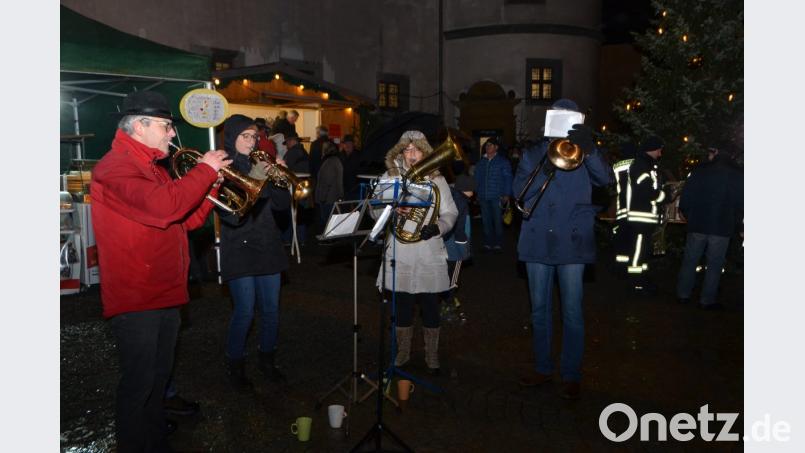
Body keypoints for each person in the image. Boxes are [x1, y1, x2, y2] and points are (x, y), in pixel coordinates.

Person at [91, 90, 231, 452]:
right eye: (167, 126)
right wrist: (204, 171)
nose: (172, 134)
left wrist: (209, 187)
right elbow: (163, 208)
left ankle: (153, 442)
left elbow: (182, 220)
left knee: (157, 380)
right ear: (140, 126)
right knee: (139, 385)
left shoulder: (152, 167)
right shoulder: (115, 167)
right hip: (137, 295)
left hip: (165, 290)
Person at [514, 98, 613, 400]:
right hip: (538, 238)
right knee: (540, 310)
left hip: (572, 240)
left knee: (572, 312)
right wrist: (545, 165)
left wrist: (591, 149)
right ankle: (543, 367)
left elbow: (606, 179)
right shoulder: (534, 153)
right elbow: (518, 191)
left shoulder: (585, 154)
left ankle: (572, 374)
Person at [374, 131, 458, 375]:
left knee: (430, 306)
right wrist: (389, 210)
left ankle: (431, 353)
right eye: (406, 150)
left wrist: (438, 227)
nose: (411, 155)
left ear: (424, 152)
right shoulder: (390, 177)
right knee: (402, 306)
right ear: (399, 153)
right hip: (399, 251)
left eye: (416, 150)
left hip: (428, 251)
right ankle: (403, 351)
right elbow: (373, 211)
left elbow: (450, 213)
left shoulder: (437, 180)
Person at [217, 114, 291, 390]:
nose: (250, 141)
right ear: (232, 138)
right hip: (239, 247)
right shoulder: (222, 168)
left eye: (253, 136)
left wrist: (279, 177)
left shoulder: (262, 163)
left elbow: (282, 206)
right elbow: (234, 216)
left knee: (271, 311)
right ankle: (235, 363)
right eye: (244, 136)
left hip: (268, 244)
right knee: (245, 311)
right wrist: (259, 178)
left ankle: (267, 360)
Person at [676, 144, 743, 309]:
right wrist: (738, 222)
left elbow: (687, 194)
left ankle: (683, 294)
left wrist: (687, 214)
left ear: (717, 152)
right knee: (714, 264)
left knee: (690, 260)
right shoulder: (738, 174)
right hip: (722, 226)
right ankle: (707, 299)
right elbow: (742, 202)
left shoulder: (700, 170)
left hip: (698, 223)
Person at [612, 136, 668, 295]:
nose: (661, 153)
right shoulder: (640, 165)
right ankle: (636, 284)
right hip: (639, 215)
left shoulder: (622, 165)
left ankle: (633, 277)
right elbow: (645, 190)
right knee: (637, 251)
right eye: (659, 150)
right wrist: (665, 196)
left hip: (627, 212)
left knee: (632, 249)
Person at [473, 137, 513, 251]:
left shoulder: (503, 161)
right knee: (486, 221)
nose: (487, 147)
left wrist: (506, 194)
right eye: (486, 145)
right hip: (483, 196)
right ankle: (488, 242)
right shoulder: (481, 162)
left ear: (496, 147)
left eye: (490, 145)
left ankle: (498, 243)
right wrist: (476, 193)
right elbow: (477, 179)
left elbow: (508, 178)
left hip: (497, 196)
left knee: (497, 221)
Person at [281, 131, 312, 245]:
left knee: (291, 213)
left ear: (293, 141)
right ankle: (301, 239)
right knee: (301, 214)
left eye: (288, 142)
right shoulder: (303, 152)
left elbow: (285, 170)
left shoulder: (293, 153)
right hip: (302, 186)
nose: (287, 145)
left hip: (293, 187)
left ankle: (288, 239)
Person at [314, 141, 344, 228]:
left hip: (328, 199)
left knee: (327, 223)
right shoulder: (335, 160)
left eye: (323, 148)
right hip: (332, 197)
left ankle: (328, 241)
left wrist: (322, 198)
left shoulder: (330, 162)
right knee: (331, 222)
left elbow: (327, 182)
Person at [340, 134, 363, 200]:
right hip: (344, 189)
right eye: (345, 143)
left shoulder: (359, 155)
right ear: (343, 145)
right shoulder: (339, 156)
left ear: (353, 144)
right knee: (344, 208)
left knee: (357, 207)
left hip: (356, 188)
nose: (347, 145)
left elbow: (362, 170)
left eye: (349, 143)